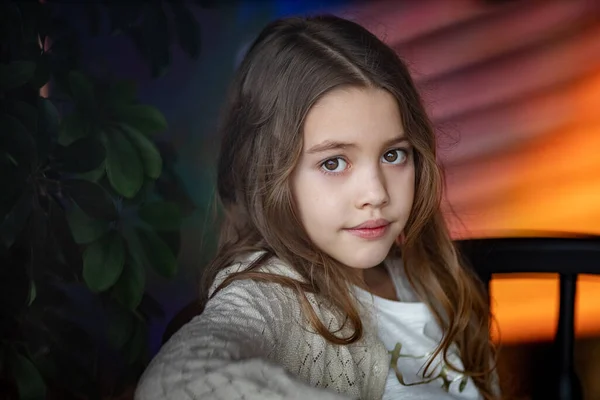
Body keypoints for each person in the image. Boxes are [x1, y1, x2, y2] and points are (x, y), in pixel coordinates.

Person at [135, 14, 499, 400]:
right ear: (269, 172)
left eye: (393, 154)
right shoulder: (272, 294)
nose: (375, 193)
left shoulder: (424, 274)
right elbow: (173, 385)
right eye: (333, 163)